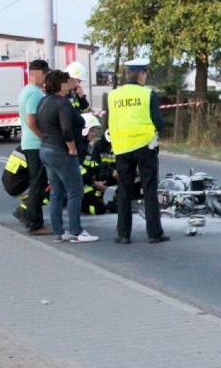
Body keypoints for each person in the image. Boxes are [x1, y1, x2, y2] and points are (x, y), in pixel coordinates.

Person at [107, 58, 168, 245]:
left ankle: (123, 234)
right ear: (142, 74)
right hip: (144, 146)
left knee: (124, 190)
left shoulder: (113, 95)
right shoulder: (147, 94)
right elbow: (159, 123)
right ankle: (154, 234)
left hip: (122, 148)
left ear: (127, 75)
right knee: (149, 189)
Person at [36, 70, 99, 243]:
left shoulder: (43, 101)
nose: (69, 84)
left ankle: (59, 232)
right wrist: (72, 148)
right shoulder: (62, 104)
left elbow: (38, 123)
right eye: (66, 81)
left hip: (46, 149)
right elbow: (66, 129)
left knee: (56, 192)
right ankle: (76, 232)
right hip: (62, 152)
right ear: (60, 84)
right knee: (75, 191)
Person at [17, 59, 51, 234]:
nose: (46, 78)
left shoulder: (26, 91)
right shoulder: (35, 93)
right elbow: (31, 121)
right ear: (38, 73)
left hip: (29, 142)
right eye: (45, 74)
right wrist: (43, 137)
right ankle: (35, 224)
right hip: (35, 144)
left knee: (37, 182)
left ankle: (32, 220)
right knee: (38, 184)